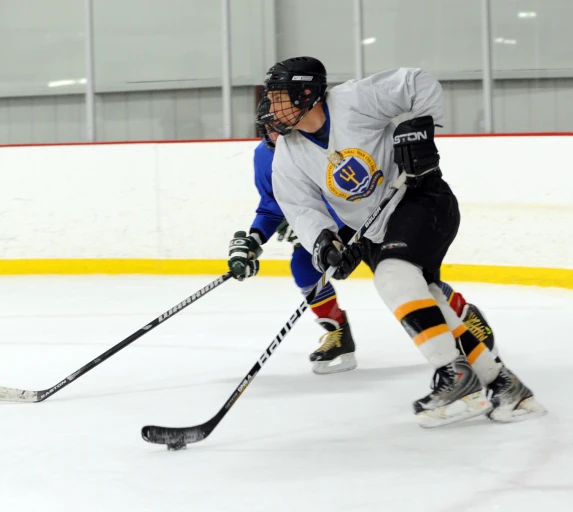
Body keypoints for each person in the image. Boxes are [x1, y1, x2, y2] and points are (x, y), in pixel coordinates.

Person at [257, 56, 545, 427]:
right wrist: (324, 244)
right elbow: (301, 209)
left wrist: (419, 126)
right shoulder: (288, 155)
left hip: (421, 199)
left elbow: (417, 82)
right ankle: (506, 387)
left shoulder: (354, 100)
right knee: (431, 302)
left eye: (279, 96)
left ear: (307, 92)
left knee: (392, 276)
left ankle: (456, 378)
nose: (271, 105)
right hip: (377, 231)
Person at [226, 98, 356, 375]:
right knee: (303, 266)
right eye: (269, 127)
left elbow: (342, 188)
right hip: (321, 229)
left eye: (280, 125)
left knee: (399, 269)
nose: (275, 133)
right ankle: (338, 333)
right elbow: (272, 206)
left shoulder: (311, 144)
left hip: (358, 219)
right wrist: (254, 239)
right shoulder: (264, 155)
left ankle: (459, 318)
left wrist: (314, 224)